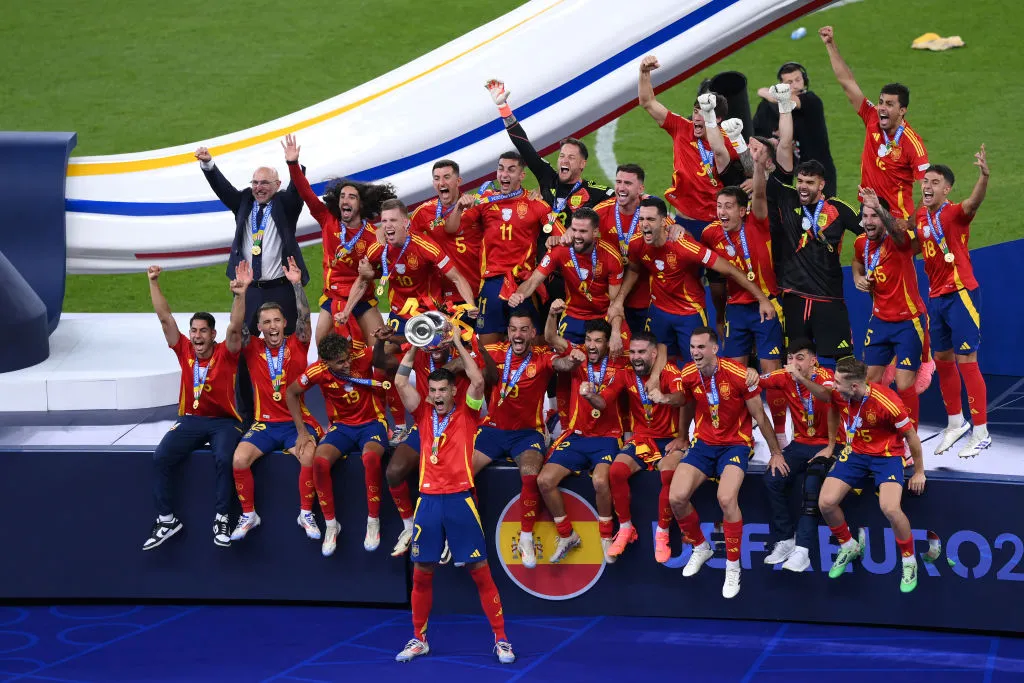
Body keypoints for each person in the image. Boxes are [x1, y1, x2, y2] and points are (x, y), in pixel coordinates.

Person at [392, 332, 515, 664]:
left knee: (480, 570)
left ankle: (501, 639)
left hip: (460, 500)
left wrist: (457, 343)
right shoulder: (421, 416)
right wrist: (416, 343)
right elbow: (401, 383)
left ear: (452, 392)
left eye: (442, 390)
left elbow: (476, 379)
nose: (436, 396)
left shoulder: (468, 414)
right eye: (432, 391)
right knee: (421, 571)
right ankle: (419, 638)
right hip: (428, 501)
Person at [196, 142, 310, 426]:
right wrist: (208, 165)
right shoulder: (245, 201)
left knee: (290, 348)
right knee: (244, 350)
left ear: (277, 184)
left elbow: (300, 190)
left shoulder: (286, 203)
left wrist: (293, 163)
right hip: (250, 291)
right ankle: (247, 416)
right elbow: (224, 191)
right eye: (255, 182)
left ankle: (293, 409)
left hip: (282, 287)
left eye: (265, 183)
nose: (259, 187)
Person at [792, 357, 926, 593]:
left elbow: (911, 437)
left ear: (854, 386)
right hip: (855, 454)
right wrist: (801, 378)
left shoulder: (888, 402)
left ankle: (909, 560)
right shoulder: (841, 393)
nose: (832, 385)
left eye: (836, 381)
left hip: (887, 456)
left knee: (891, 509)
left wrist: (919, 472)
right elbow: (825, 395)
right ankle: (848, 545)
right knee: (826, 502)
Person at [669, 328, 782, 599]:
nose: (695, 352)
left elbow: (760, 416)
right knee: (676, 497)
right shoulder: (688, 374)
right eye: (692, 347)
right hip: (704, 444)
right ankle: (700, 546)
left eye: (701, 347)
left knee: (726, 498)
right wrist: (683, 436)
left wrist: (776, 451)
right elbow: (685, 404)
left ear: (715, 349)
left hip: (735, 444)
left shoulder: (738, 374)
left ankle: (733, 566)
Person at [142, 264, 247, 550]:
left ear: (213, 335)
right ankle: (166, 520)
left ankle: (222, 518)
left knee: (224, 458)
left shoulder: (227, 353)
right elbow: (165, 319)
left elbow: (236, 327)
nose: (197, 336)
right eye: (194, 331)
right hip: (190, 420)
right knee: (161, 456)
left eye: (203, 331)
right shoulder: (184, 349)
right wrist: (153, 282)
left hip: (224, 422)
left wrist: (240, 295)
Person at [609, 197, 774, 367]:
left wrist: (761, 298)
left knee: (698, 367)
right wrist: (619, 300)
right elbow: (634, 270)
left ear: (664, 221)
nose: (644, 224)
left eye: (650, 219)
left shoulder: (685, 247)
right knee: (659, 364)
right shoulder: (636, 243)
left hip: (689, 313)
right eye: (641, 219)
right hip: (659, 311)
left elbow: (730, 270)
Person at [374, 325, 494, 558]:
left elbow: (485, 378)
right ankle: (410, 526)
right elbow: (386, 368)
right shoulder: (419, 355)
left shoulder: (461, 359)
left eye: (441, 341)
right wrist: (414, 344)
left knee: (463, 477)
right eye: (433, 340)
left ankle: (454, 535)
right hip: (426, 425)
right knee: (393, 471)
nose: (436, 346)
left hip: (457, 426)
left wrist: (460, 346)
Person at [475, 309, 582, 568]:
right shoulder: (496, 352)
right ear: (508, 332)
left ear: (533, 333)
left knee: (531, 473)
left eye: (524, 329)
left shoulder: (543, 357)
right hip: (493, 431)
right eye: (514, 329)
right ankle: (466, 529)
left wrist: (575, 359)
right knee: (461, 473)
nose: (518, 335)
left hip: (526, 434)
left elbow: (564, 364)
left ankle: (525, 538)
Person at [229, 256, 324, 542]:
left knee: (309, 456)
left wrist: (297, 287)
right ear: (258, 326)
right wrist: (241, 294)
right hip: (265, 425)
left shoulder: (298, 342)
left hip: (297, 423)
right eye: (266, 322)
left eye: (276, 321)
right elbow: (235, 329)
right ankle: (249, 514)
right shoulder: (252, 347)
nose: (272, 326)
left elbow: (305, 318)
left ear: (285, 323)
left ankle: (305, 512)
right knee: (239, 459)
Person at [579, 331, 687, 562]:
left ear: (654, 353)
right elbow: (604, 400)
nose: (636, 357)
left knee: (668, 473)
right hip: (642, 439)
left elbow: (682, 397)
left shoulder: (669, 372)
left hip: (669, 439)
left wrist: (664, 398)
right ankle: (626, 528)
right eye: (633, 352)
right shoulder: (625, 374)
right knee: (616, 472)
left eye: (641, 352)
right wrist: (589, 395)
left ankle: (662, 534)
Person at [280, 134, 391, 345]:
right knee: (323, 348)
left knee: (380, 350)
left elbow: (384, 270)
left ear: (361, 205)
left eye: (352, 197)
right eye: (342, 196)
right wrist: (293, 164)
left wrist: (373, 273)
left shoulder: (372, 235)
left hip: (362, 300)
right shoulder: (327, 219)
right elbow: (306, 193)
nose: (345, 200)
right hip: (332, 299)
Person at [916, 147, 991, 458]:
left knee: (966, 361)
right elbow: (903, 233)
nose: (927, 186)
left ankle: (982, 431)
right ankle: (955, 422)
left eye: (934, 182)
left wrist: (984, 177)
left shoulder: (954, 213)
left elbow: (973, 202)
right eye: (924, 181)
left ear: (946, 189)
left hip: (961, 293)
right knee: (943, 359)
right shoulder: (921, 215)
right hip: (936, 296)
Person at [285, 333, 388, 557]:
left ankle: (373, 521)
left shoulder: (361, 357)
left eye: (348, 358)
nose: (347, 364)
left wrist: (380, 341)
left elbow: (382, 358)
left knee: (370, 458)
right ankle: (331, 525)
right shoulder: (317, 371)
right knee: (319, 462)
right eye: (340, 362)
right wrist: (302, 431)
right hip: (342, 427)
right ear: (326, 362)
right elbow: (291, 392)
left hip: (372, 423)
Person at [700, 181, 787, 443]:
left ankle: (781, 434)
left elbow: (759, 193)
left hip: (767, 306)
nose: (722, 212)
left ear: (743, 210)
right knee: (735, 376)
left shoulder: (758, 223)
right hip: (736, 310)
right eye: (719, 206)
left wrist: (760, 169)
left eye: (728, 206)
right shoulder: (710, 234)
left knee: (771, 373)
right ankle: (741, 433)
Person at [760, 153, 862, 370]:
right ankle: (802, 404)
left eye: (810, 182)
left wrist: (859, 267)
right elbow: (758, 174)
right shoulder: (787, 198)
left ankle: (845, 403)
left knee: (845, 362)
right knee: (796, 363)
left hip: (828, 298)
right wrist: (746, 149)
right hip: (794, 298)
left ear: (821, 184)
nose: (803, 187)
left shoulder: (838, 209)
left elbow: (868, 233)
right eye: (800, 181)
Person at [446, 152, 560, 343]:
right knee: (488, 350)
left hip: (522, 284)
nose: (504, 174)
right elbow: (451, 228)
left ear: (521, 176)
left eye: (511, 169)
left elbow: (561, 236)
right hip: (492, 283)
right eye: (501, 168)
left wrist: (554, 241)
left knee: (534, 347)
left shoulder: (536, 203)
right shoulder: (484, 201)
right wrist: (458, 207)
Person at [746, 339, 838, 572]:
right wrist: (748, 371)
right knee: (772, 477)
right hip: (800, 444)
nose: (793, 362)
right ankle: (786, 539)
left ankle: (803, 551)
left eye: (800, 357)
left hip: (830, 444)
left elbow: (828, 396)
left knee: (812, 484)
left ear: (813, 361)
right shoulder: (784, 377)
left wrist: (801, 379)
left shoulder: (826, 376)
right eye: (789, 358)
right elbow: (757, 379)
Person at [819, 26, 929, 218]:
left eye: (889, 104)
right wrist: (830, 45)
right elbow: (847, 82)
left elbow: (929, 189)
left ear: (902, 111)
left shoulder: (912, 143)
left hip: (896, 217)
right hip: (869, 209)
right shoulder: (872, 116)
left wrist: (911, 222)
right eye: (880, 102)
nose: (882, 108)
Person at [541, 317, 626, 562]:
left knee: (600, 481)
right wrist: (554, 315)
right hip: (577, 438)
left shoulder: (618, 368)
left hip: (607, 438)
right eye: (588, 340)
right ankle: (566, 534)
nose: (591, 345)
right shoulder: (577, 356)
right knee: (545, 481)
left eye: (598, 341)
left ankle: (606, 535)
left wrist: (589, 394)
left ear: (608, 344)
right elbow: (550, 338)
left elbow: (603, 402)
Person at [340, 199, 478, 339]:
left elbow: (457, 278)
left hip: (428, 311)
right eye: (384, 221)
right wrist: (346, 312)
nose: (387, 226)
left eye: (393, 220)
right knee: (383, 357)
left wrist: (471, 305)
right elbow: (362, 280)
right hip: (399, 313)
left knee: (434, 355)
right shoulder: (377, 248)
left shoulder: (425, 246)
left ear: (405, 223)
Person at [638, 55, 743, 236]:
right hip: (683, 222)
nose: (696, 117)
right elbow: (647, 102)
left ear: (717, 119)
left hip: (715, 224)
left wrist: (750, 179)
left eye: (703, 113)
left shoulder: (730, 141)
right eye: (695, 111)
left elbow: (751, 170)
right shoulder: (681, 128)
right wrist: (644, 72)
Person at [853, 187, 930, 428]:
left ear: (883, 217)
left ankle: (910, 438)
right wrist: (857, 276)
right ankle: (876, 432)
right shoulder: (861, 244)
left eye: (874, 215)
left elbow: (897, 233)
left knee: (904, 383)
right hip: (879, 322)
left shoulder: (900, 242)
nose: (868, 221)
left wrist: (878, 205)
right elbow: (857, 261)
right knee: (870, 381)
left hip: (909, 322)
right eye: (865, 216)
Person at [752, 63, 838, 197]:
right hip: (799, 174)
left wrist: (764, 91)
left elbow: (785, 99)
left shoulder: (811, 100)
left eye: (798, 80)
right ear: (782, 84)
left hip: (821, 172)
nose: (795, 85)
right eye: (789, 82)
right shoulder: (776, 109)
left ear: (805, 80)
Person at [410, 160, 482, 308]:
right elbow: (404, 241)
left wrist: (537, 193)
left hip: (480, 288)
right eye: (437, 178)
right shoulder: (423, 212)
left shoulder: (477, 205)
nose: (441, 183)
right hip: (443, 296)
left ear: (458, 181)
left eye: (447, 177)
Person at [595, 164, 656, 336]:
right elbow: (577, 230)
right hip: (610, 300)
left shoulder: (651, 211)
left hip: (647, 300)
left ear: (641, 189)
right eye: (618, 182)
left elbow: (677, 234)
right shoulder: (602, 210)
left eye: (628, 183)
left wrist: (676, 229)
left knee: (645, 351)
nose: (621, 187)